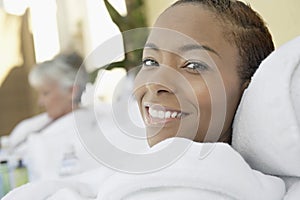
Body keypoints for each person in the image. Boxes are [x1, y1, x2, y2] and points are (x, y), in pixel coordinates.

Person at [2, 0, 295, 199]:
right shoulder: (140, 166)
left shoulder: (195, 179)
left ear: (249, 88)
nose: (156, 83)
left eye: (193, 65)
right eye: (151, 61)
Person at [2, 52, 102, 182]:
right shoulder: (35, 124)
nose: (40, 102)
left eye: (45, 93)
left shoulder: (85, 130)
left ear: (72, 91)